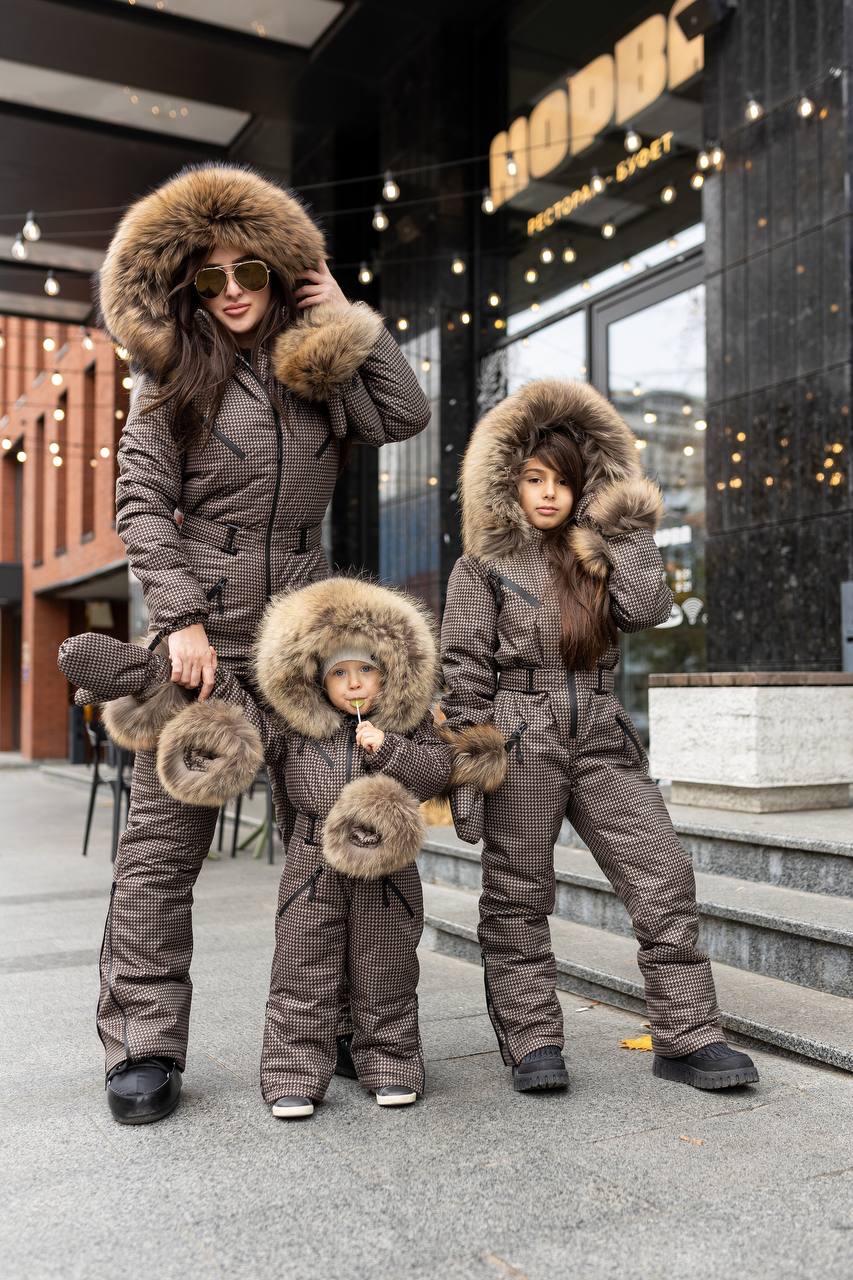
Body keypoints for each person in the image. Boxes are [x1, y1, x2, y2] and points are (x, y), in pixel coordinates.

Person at [87, 162, 430, 1124]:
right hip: (200, 649)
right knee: (162, 852)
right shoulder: (170, 377)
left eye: (251, 272)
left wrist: (348, 317)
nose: (232, 291)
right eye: (211, 277)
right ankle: (143, 1045)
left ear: (280, 273)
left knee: (340, 838)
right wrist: (181, 617)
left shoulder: (316, 367)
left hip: (303, 653)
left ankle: (348, 1029)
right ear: (187, 287)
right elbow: (140, 502)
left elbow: (405, 414)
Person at [439, 379, 759, 1094]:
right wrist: (470, 764)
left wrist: (628, 527)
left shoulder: (599, 554)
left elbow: (647, 609)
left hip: (602, 734)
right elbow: (463, 670)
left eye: (563, 480)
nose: (548, 494)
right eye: (534, 479)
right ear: (508, 483)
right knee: (517, 894)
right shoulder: (481, 567)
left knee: (663, 876)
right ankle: (532, 1044)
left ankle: (688, 1038)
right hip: (521, 738)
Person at [59, 577, 451, 1118]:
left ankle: (390, 1063)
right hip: (312, 869)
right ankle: (291, 1072)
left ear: (389, 673)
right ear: (318, 679)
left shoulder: (406, 726)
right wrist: (162, 661)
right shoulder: (295, 726)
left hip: (389, 877)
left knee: (386, 970)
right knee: (300, 970)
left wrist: (389, 751)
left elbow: (435, 771)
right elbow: (245, 714)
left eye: (367, 671)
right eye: (340, 673)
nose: (355, 683)